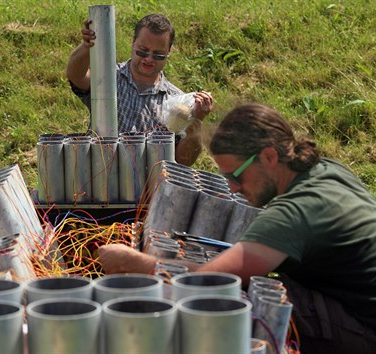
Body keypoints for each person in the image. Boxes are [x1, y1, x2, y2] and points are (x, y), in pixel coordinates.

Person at [98, 104, 376, 353]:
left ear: (268, 157)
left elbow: (212, 281)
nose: (232, 187)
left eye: (235, 175)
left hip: (367, 329)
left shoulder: (293, 212)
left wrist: (139, 264)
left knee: (243, 303)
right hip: (356, 305)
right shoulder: (326, 170)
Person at [66, 13, 214, 166]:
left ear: (169, 52)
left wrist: (196, 121)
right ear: (133, 43)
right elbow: (76, 76)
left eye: (158, 54)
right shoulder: (109, 78)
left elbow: (183, 161)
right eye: (143, 51)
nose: (149, 59)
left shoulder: (176, 102)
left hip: (148, 187)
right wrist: (86, 45)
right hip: (99, 180)